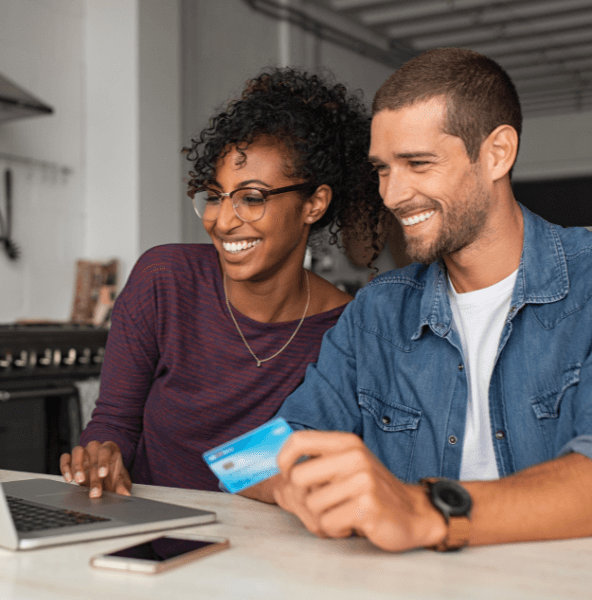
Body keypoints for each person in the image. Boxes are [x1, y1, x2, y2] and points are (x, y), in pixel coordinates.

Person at [246, 48, 592, 552]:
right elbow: (248, 460)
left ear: (497, 153)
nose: (391, 195)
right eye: (383, 169)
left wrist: (423, 509)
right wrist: (300, 482)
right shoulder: (376, 311)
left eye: (417, 163)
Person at [60, 67, 387, 496]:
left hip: (256, 553)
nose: (223, 220)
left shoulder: (345, 330)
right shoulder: (165, 280)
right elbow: (114, 422)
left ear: (314, 204)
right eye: (215, 196)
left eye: (252, 198)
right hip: (141, 540)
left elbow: (274, 462)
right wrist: (100, 457)